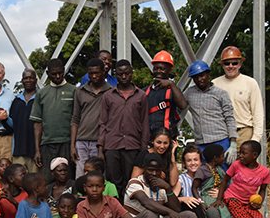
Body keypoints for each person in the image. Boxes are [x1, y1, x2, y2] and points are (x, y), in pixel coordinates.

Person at [98, 59, 149, 200]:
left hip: (133, 146)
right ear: (116, 75)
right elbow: (103, 123)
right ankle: (116, 215)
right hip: (112, 145)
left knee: (131, 182)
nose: (124, 77)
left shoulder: (141, 96)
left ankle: (130, 214)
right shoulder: (108, 96)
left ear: (132, 73)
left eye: (127, 73)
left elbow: (145, 123)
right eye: (120, 74)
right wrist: (101, 149)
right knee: (114, 182)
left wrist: (143, 149)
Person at [184, 60, 238, 171]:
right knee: (204, 174)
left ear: (209, 74)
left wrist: (233, 143)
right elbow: (179, 104)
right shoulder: (189, 93)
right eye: (195, 77)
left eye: (202, 75)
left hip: (220, 140)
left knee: (222, 173)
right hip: (201, 143)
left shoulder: (220, 93)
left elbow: (229, 117)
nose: (199, 79)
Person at [30, 59, 75, 183]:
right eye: (54, 74)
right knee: (46, 180)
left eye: (60, 73)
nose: (58, 76)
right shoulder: (42, 93)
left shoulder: (74, 91)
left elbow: (76, 121)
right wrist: (37, 150)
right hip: (47, 144)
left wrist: (73, 146)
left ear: (64, 71)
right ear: (48, 73)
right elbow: (37, 123)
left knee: (68, 180)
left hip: (66, 143)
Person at [192, 144, 237, 218]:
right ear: (215, 158)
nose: (224, 159)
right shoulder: (202, 170)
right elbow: (194, 188)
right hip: (208, 199)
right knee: (220, 214)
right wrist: (201, 202)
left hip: (218, 199)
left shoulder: (220, 170)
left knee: (227, 215)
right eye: (222, 156)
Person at [212, 47, 264, 149]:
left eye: (234, 63)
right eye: (227, 63)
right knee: (222, 164)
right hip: (222, 135)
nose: (231, 66)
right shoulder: (214, 84)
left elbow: (257, 113)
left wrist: (255, 140)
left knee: (245, 164)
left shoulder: (250, 83)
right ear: (222, 65)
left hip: (244, 133)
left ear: (240, 64)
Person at [71, 58, 113, 179]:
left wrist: (103, 145)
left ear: (103, 72)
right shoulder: (80, 91)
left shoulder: (110, 91)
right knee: (80, 177)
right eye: (91, 73)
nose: (94, 76)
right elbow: (75, 118)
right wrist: (72, 145)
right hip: (81, 141)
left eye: (97, 72)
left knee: (98, 177)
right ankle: (80, 199)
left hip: (100, 142)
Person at [174, 145, 208, 218]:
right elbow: (172, 198)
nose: (193, 163)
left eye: (195, 160)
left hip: (205, 209)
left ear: (201, 161)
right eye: (189, 160)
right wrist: (183, 198)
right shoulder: (181, 179)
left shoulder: (207, 178)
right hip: (188, 211)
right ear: (184, 163)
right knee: (196, 206)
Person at [143, 50, 187, 139]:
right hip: (149, 138)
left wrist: (171, 84)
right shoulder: (145, 91)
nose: (158, 71)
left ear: (170, 70)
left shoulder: (172, 90)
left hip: (167, 138)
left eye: (162, 69)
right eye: (156, 68)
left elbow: (183, 105)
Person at [10, 69, 39, 173]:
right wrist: (3, 118)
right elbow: (12, 125)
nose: (28, 80)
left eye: (31, 78)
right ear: (22, 81)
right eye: (25, 78)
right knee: (19, 183)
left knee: (34, 183)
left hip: (35, 151)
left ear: (36, 80)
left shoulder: (41, 99)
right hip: (19, 151)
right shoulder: (16, 101)